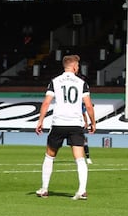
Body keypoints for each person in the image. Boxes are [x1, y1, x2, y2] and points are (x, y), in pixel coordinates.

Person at [35, 54, 95, 200]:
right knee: (80, 158)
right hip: (75, 124)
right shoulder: (81, 83)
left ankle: (44, 189)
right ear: (74, 66)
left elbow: (46, 103)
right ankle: (82, 190)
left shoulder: (54, 81)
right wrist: (93, 122)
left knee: (49, 156)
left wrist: (40, 120)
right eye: (78, 66)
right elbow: (88, 105)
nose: (78, 68)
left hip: (58, 123)